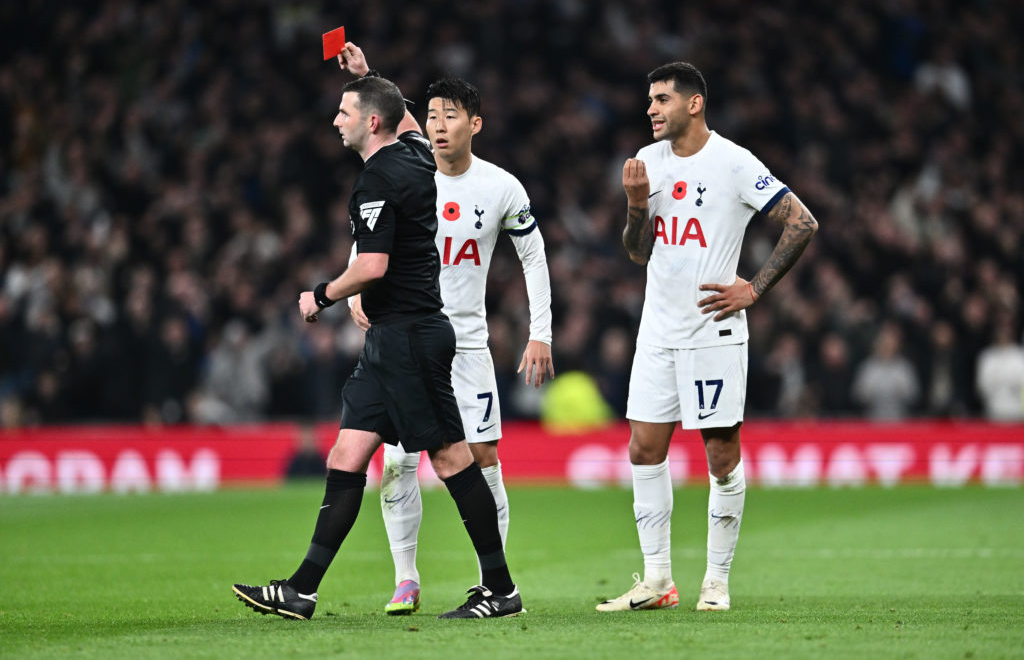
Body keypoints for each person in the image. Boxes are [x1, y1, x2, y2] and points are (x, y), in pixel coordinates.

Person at [232, 43, 522, 620]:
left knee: (449, 457)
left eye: (343, 111)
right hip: (394, 338)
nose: (334, 120)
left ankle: (500, 588)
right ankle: (302, 588)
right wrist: (369, 76)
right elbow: (407, 119)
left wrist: (320, 295)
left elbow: (372, 266)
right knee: (347, 452)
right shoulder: (416, 152)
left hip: (411, 335)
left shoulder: (378, 180)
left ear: (369, 123)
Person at [597, 62, 817, 613]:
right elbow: (636, 251)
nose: (651, 108)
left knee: (720, 456)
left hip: (713, 331)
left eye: (662, 99)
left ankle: (715, 582)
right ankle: (657, 582)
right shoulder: (647, 162)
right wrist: (636, 206)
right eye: (649, 99)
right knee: (644, 449)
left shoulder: (733, 162)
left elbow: (803, 222)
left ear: (694, 104)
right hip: (657, 331)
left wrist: (755, 288)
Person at [345, 64, 555, 615]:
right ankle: (405, 579)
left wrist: (541, 332)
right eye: (431, 116)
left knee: (483, 457)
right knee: (396, 460)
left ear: (475, 124)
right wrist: (352, 291)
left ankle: (494, 583)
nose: (438, 126)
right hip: (407, 339)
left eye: (450, 116)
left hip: (466, 346)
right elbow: (371, 234)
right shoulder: (410, 173)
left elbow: (533, 255)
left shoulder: (500, 186)